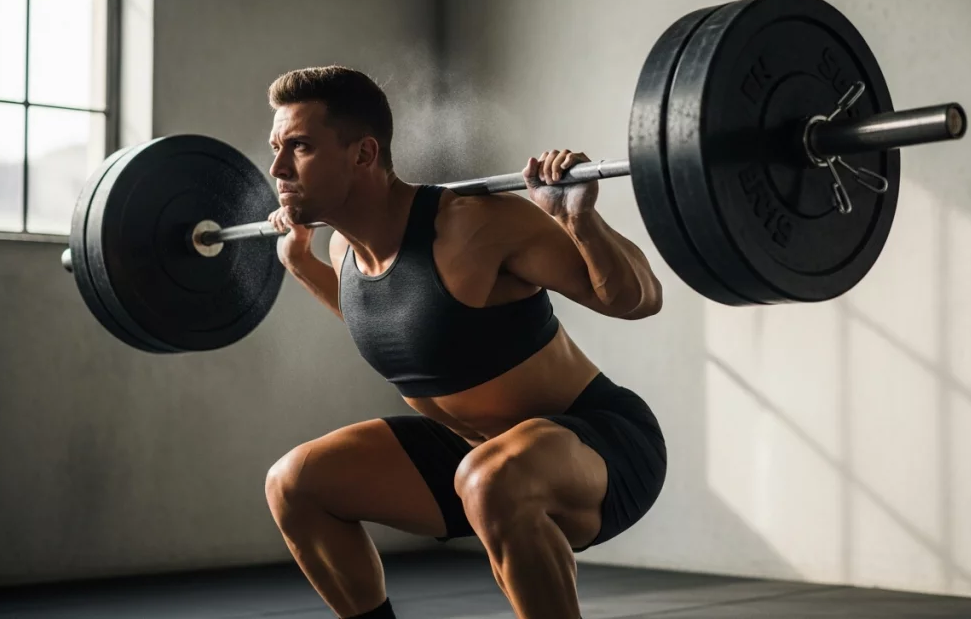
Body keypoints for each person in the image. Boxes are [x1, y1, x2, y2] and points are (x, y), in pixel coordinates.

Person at [262, 65, 667, 619]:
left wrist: (580, 221)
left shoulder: (474, 226)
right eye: (276, 148)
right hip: (474, 454)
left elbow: (639, 299)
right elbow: (392, 325)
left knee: (492, 479)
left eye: (299, 147)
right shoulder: (342, 255)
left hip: (602, 446)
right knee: (295, 484)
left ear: (362, 154)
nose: (278, 168)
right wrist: (302, 263)